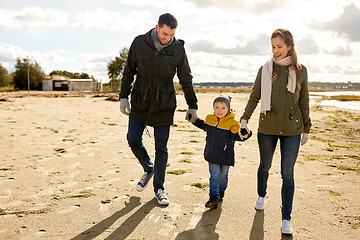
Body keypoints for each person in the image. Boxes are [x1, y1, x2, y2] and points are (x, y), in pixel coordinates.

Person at [119, 13, 198, 206]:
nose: (167, 38)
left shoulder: (178, 49)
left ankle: (159, 188)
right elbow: (129, 71)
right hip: (140, 100)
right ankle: (148, 167)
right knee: (132, 138)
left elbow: (186, 78)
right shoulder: (139, 43)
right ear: (156, 27)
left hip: (164, 103)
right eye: (164, 34)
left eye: (171, 35)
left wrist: (192, 105)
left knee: (161, 148)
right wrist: (123, 96)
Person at [239, 29, 311, 234]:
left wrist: (307, 127)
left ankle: (286, 218)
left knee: (288, 173)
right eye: (273, 47)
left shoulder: (300, 70)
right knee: (265, 165)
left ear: (289, 46)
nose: (276, 51)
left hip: (292, 129)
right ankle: (261, 194)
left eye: (279, 47)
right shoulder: (265, 69)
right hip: (268, 127)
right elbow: (255, 96)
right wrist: (244, 119)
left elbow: (304, 101)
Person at [191, 94, 252, 209]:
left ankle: (221, 191)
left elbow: (237, 136)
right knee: (215, 176)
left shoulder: (232, 123)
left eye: (223, 108)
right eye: (216, 107)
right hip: (212, 154)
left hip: (225, 155)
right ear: (213, 108)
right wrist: (194, 120)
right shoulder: (210, 119)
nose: (219, 110)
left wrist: (245, 134)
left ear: (228, 109)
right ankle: (213, 197)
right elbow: (204, 126)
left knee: (223, 176)